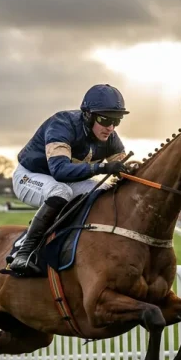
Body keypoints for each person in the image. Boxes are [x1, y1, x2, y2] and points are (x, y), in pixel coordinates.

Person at [8, 84, 133, 276]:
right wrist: (103, 167)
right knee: (60, 192)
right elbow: (59, 171)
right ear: (87, 115)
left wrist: (134, 168)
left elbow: (124, 169)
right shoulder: (62, 124)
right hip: (29, 176)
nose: (110, 127)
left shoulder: (110, 137)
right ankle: (24, 250)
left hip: (63, 180)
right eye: (105, 119)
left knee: (105, 192)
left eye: (116, 121)